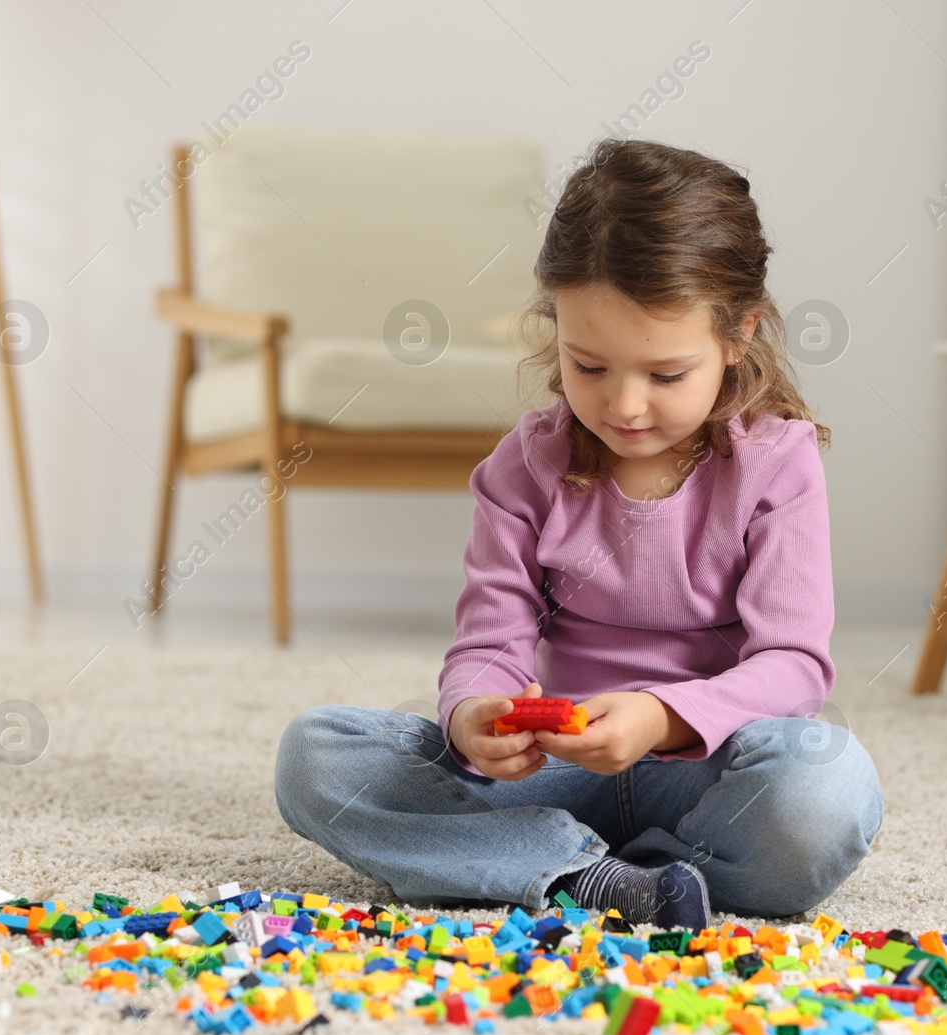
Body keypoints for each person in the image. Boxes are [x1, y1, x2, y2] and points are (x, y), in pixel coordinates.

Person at [275, 138, 882, 928]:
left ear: (739, 336)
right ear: (553, 325)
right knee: (315, 755)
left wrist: (660, 717)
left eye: (665, 374)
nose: (625, 405)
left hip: (707, 772)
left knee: (829, 785)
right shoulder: (525, 466)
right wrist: (473, 715)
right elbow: (488, 644)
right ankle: (595, 876)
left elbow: (793, 666)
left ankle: (566, 866)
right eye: (588, 365)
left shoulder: (776, 464)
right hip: (553, 770)